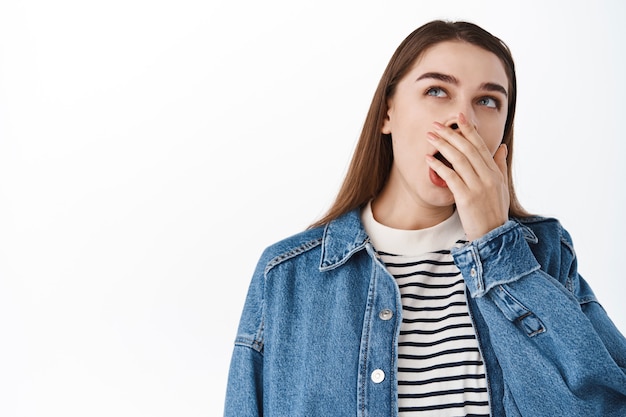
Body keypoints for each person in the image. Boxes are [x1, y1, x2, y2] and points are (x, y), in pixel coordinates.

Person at [224, 20, 626, 416]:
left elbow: (602, 407)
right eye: (437, 91)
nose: (461, 121)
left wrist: (496, 248)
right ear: (387, 114)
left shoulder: (545, 257)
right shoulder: (287, 276)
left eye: (488, 101)